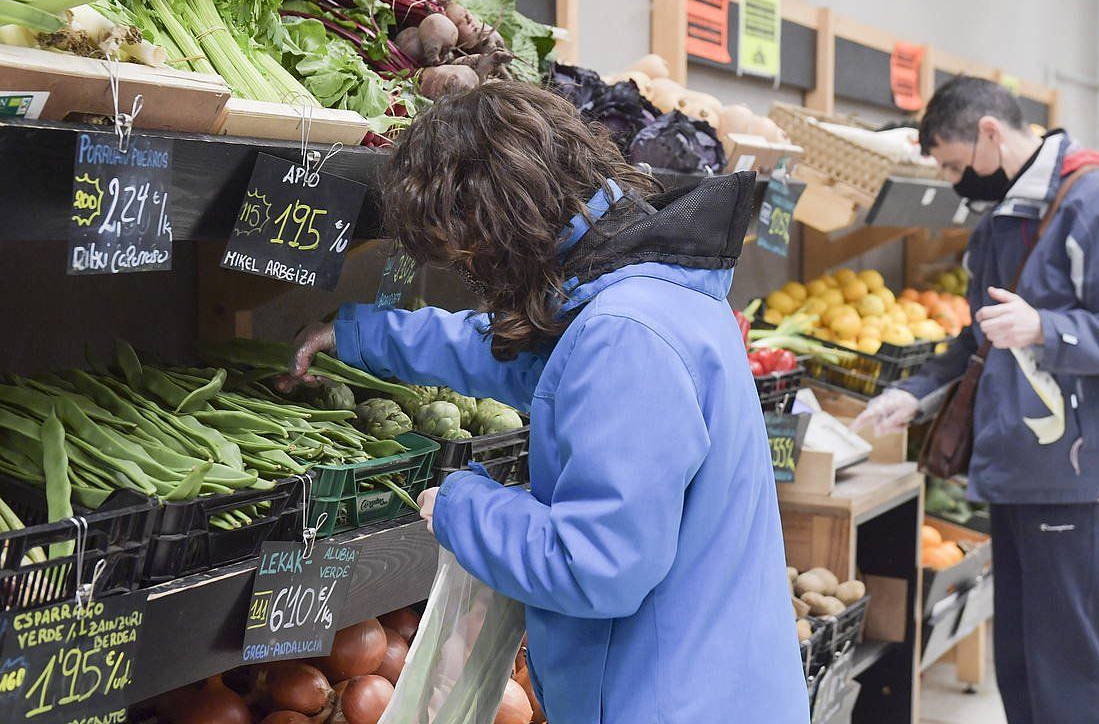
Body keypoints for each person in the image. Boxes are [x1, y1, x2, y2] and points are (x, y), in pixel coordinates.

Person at [289, 82, 808, 723]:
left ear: (500, 228)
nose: (474, 278)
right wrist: (363, 335)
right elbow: (530, 359)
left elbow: (596, 565)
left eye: (467, 257)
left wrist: (462, 506)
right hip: (715, 682)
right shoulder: (645, 293)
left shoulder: (627, 338)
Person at [854, 76, 1099, 724]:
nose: (953, 182)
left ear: (990, 133)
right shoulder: (1004, 218)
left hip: (1076, 471)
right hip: (1018, 467)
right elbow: (978, 335)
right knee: (1024, 663)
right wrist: (911, 394)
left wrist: (1048, 328)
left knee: (1069, 670)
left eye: (953, 164)